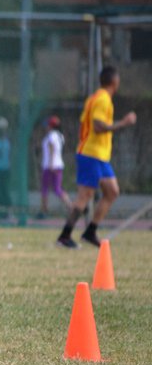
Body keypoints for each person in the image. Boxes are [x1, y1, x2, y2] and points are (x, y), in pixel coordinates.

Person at [57, 66, 137, 248]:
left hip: (100, 156)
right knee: (85, 195)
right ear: (114, 82)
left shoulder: (98, 98)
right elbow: (98, 126)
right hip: (90, 154)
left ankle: (90, 231)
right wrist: (124, 123)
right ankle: (65, 235)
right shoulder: (102, 99)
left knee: (112, 192)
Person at [39, 115, 70, 217]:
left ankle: (44, 210)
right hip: (58, 165)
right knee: (57, 189)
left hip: (50, 166)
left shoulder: (51, 135)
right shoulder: (60, 136)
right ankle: (71, 207)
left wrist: (51, 164)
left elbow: (52, 149)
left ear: (51, 126)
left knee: (45, 188)